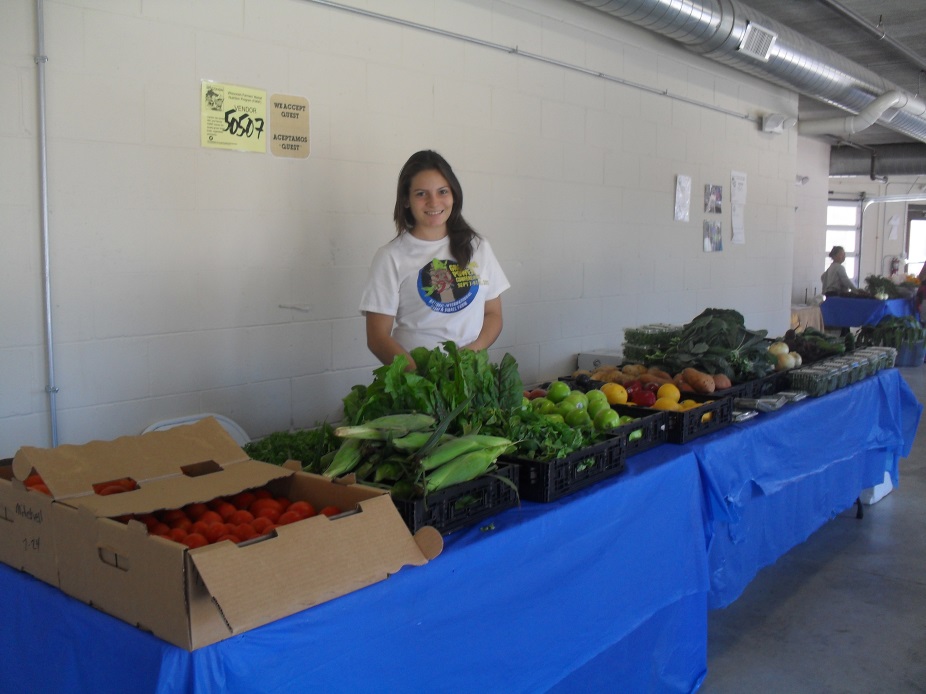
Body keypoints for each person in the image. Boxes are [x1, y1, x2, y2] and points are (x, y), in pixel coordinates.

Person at [359, 150, 510, 370]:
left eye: (442, 191)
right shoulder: (390, 256)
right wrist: (422, 380)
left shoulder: (478, 247)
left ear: (454, 195)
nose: (433, 202)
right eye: (421, 193)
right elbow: (377, 337)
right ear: (406, 200)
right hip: (416, 384)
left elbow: (493, 314)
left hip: (470, 374)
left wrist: (471, 353)